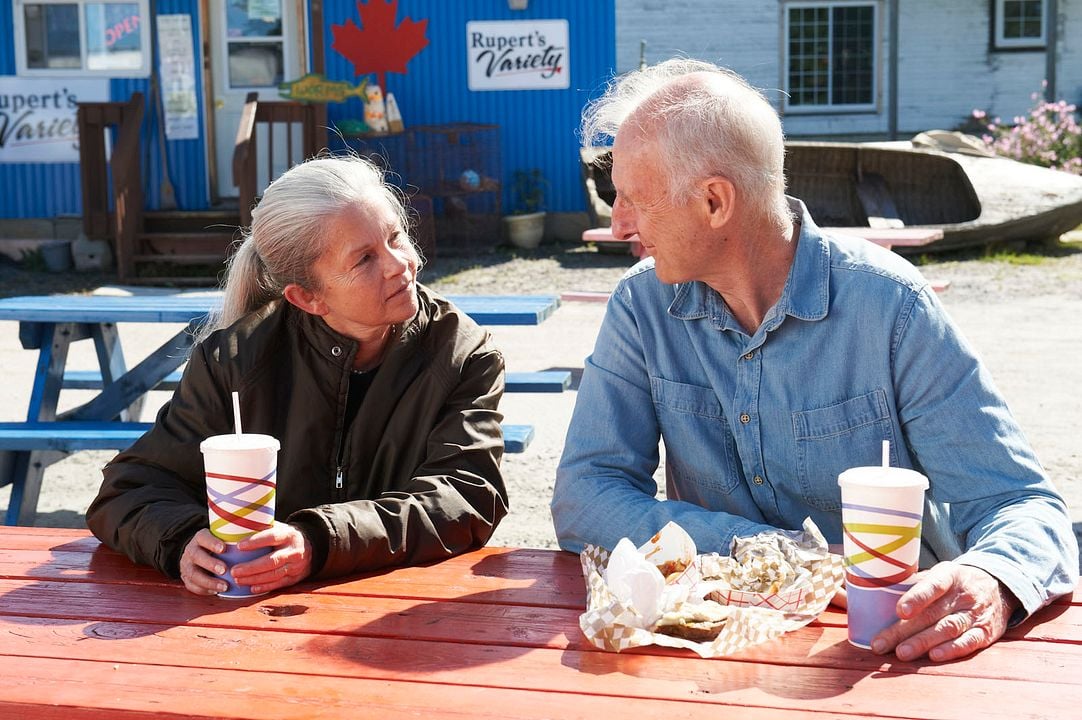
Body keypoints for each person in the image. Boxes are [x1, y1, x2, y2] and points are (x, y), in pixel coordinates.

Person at [551, 59, 1078, 662]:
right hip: (715, 657)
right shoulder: (642, 305)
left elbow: (1022, 506)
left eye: (633, 201)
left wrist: (992, 581)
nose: (618, 223)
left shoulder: (890, 306)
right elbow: (584, 498)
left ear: (715, 202)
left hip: (887, 649)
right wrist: (766, 552)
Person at [88, 155, 509, 596]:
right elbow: (128, 490)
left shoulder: (461, 352)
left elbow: (467, 496)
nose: (397, 264)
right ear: (307, 297)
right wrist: (183, 542)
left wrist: (318, 542)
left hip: (399, 612)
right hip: (250, 618)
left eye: (394, 237)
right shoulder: (234, 359)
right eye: (365, 259)